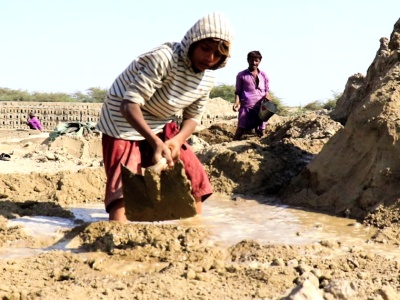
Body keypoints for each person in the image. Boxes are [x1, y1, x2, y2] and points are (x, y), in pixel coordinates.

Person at [96, 12, 234, 222]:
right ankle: (118, 234)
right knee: (125, 184)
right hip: (122, 119)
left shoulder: (208, 77)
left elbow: (193, 116)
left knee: (192, 173)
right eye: (205, 49)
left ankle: (194, 231)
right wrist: (154, 142)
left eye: (218, 54)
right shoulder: (164, 59)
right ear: (192, 43)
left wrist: (177, 141)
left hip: (160, 118)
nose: (210, 58)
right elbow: (129, 105)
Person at [233, 51, 271, 140]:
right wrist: (237, 103)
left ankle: (262, 149)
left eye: (256, 61)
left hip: (262, 107)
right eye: (252, 60)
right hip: (247, 106)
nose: (254, 63)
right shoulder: (241, 75)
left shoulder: (264, 75)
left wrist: (268, 98)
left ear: (259, 61)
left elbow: (267, 91)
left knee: (261, 130)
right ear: (248, 60)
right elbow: (238, 92)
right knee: (240, 129)